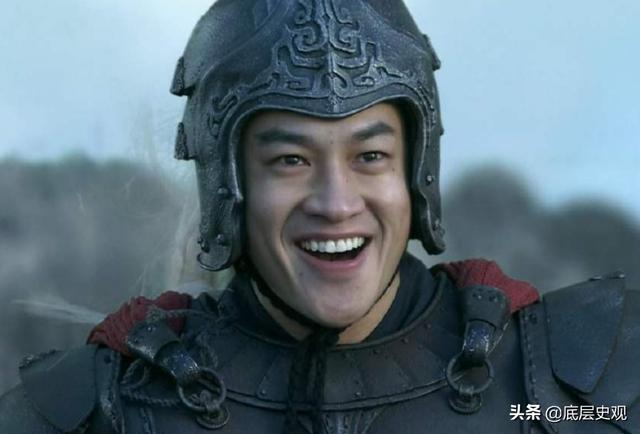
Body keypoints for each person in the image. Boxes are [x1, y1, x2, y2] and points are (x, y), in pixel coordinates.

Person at [1, 1, 638, 433]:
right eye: (291, 161)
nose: (336, 203)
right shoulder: (101, 407)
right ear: (229, 184)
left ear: (414, 172)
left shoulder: (570, 390)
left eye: (370, 156)